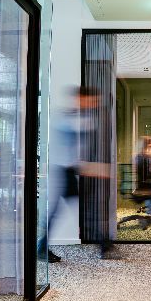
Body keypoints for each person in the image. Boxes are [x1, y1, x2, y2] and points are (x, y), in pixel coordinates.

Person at [38, 86, 107, 262]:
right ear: (81, 98)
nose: (95, 104)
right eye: (92, 100)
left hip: (68, 170)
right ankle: (41, 248)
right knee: (60, 211)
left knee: (79, 208)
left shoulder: (82, 117)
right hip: (60, 171)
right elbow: (72, 133)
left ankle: (103, 243)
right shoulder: (65, 116)